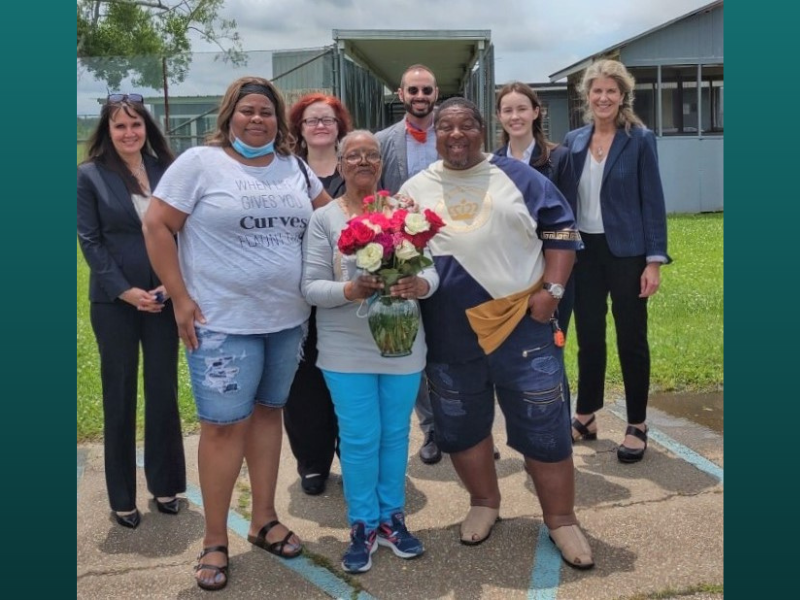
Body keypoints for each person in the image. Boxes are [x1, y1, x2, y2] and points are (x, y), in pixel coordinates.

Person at [143, 76, 331, 592]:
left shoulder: (295, 168)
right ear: (228, 116)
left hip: (286, 320)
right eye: (247, 111)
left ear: (278, 120)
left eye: (267, 113)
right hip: (222, 324)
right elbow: (157, 225)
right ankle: (213, 541)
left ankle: (264, 519)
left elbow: (328, 222)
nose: (257, 119)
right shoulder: (200, 165)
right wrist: (179, 297)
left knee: (270, 417)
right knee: (224, 429)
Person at [400, 97, 593, 569]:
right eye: (446, 127)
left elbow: (563, 233)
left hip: (522, 327)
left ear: (482, 130)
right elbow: (398, 251)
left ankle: (562, 518)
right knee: (461, 427)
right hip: (449, 331)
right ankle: (484, 502)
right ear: (435, 134)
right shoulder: (413, 188)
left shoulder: (521, 177)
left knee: (545, 425)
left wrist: (552, 291)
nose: (456, 134)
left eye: (466, 125)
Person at [302, 130, 439, 573]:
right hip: (346, 351)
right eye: (353, 155)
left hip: (401, 345)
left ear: (381, 164)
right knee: (361, 439)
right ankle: (362, 523)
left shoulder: (403, 212)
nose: (363, 161)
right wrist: (349, 288)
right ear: (339, 165)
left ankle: (392, 518)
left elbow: (433, 271)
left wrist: (419, 284)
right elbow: (310, 287)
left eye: (371, 155)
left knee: (396, 435)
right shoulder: (324, 219)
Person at [77, 93, 186, 530]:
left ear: (147, 128)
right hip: (115, 305)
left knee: (163, 392)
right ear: (108, 131)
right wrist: (125, 291)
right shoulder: (90, 176)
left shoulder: (168, 171)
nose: (129, 133)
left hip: (163, 300)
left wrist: (170, 286)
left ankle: (166, 486)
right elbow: (90, 241)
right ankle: (121, 496)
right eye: (120, 126)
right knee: (119, 396)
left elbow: (184, 231)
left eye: (136, 125)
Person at [562, 59, 670, 464]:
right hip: (584, 253)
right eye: (597, 90)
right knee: (589, 336)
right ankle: (586, 415)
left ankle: (637, 423)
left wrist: (654, 261)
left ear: (622, 95)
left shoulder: (639, 139)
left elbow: (653, 201)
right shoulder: (573, 141)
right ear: (587, 96)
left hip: (628, 253)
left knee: (631, 338)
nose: (604, 97)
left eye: (612, 91)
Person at [284, 93, 353, 495]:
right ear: (300, 128)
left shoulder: (357, 169)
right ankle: (312, 462)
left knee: (347, 374)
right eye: (312, 120)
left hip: (346, 292)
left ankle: (352, 452)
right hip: (298, 291)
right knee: (304, 379)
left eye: (328, 119)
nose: (320, 125)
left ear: (339, 125)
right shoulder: (287, 174)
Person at [375, 63, 442, 465]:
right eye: (412, 90)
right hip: (404, 258)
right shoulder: (383, 142)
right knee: (413, 344)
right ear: (400, 95)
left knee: (455, 344)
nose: (420, 97)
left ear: (437, 93)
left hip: (452, 253)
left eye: (427, 90)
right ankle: (431, 427)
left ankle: (468, 426)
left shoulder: (453, 136)